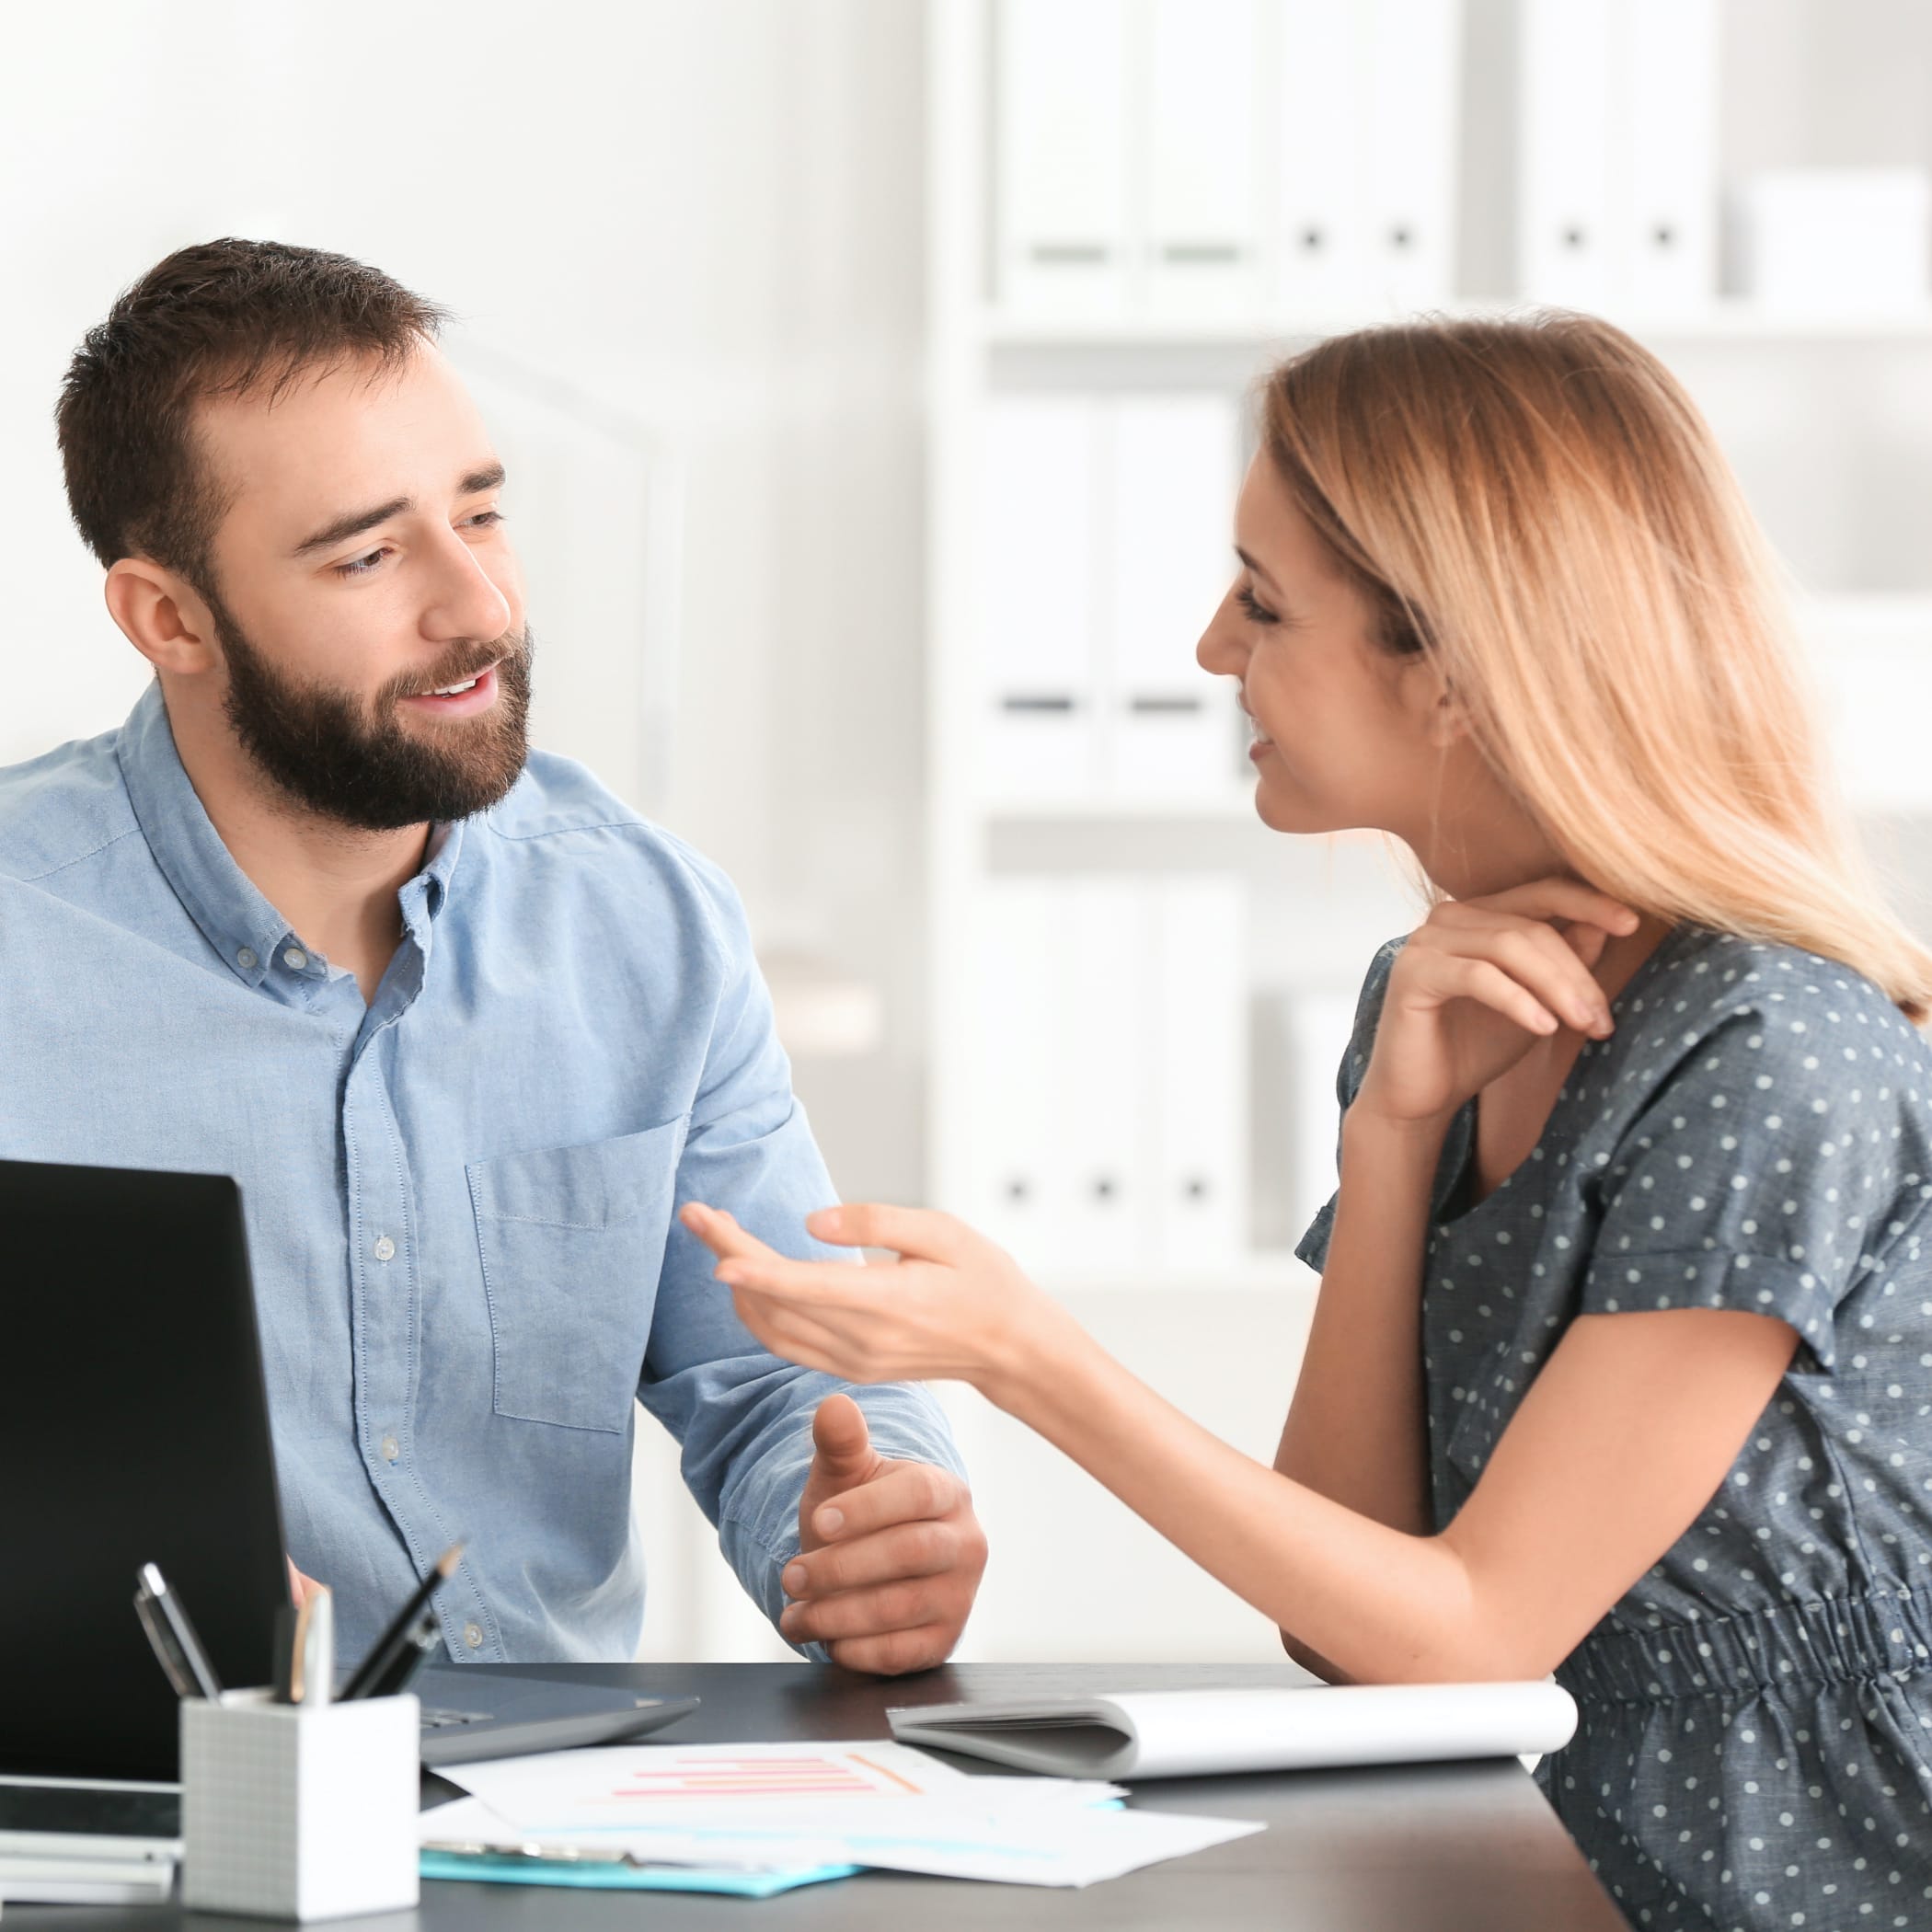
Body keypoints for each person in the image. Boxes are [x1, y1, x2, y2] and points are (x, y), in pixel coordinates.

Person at [684, 313, 1932, 1929]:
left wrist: (1024, 1357)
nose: (1214, 648)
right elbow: (1351, 1622)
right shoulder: (1431, 1010)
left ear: (1457, 670)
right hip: (1539, 1864)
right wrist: (1390, 1146)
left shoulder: (1769, 1050)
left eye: (1265, 604)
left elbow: (1476, 1639)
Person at [0, 237, 984, 1673]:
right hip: (143, 1820)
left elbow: (777, 1378)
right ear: (170, 618)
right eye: (368, 553)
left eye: (481, 516)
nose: (479, 608)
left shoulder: (644, 924)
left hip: (568, 1816)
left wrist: (861, 1522)